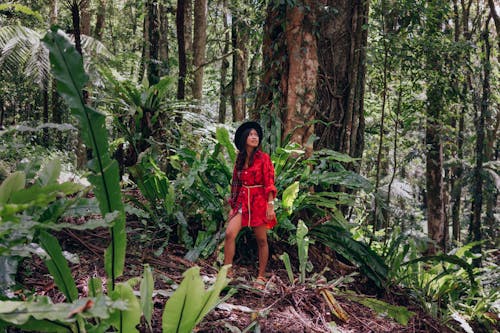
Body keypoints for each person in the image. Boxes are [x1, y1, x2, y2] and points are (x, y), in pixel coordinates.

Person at [224, 121, 277, 289]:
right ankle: (227, 272)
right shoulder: (239, 160)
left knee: (261, 240)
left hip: (259, 202)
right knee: (229, 234)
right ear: (244, 138)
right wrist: (233, 206)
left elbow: (269, 182)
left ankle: (261, 277)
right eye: (251, 135)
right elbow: (235, 184)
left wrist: (270, 205)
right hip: (241, 201)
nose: (254, 137)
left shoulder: (264, 158)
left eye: (256, 135)